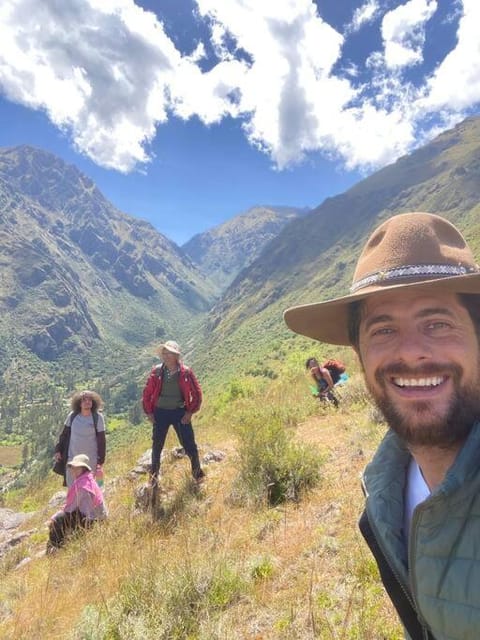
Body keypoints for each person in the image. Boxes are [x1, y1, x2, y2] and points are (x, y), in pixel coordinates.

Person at [284, 212, 480, 640]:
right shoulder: (383, 488)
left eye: (438, 324)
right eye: (383, 329)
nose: (411, 352)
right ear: (359, 354)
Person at [142, 340, 204, 485]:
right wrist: (149, 413)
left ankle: (198, 474)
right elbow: (147, 393)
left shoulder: (186, 372)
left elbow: (197, 393)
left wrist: (189, 412)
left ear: (176, 355)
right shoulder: (157, 371)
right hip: (160, 413)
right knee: (157, 446)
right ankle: (154, 478)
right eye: (164, 353)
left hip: (179, 412)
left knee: (189, 444)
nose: (166, 356)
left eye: (169, 353)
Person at [48, 454, 107, 551]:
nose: (73, 470)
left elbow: (70, 508)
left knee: (57, 520)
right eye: (72, 468)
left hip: (92, 520)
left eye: (77, 468)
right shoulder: (89, 479)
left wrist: (54, 517)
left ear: (83, 469)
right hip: (99, 517)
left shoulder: (82, 486)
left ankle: (56, 548)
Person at [54, 390, 106, 487]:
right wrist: (58, 450)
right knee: (72, 486)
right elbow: (64, 435)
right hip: (72, 459)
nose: (87, 402)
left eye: (89, 400)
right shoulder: (72, 416)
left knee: (89, 487)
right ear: (79, 403)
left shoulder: (98, 418)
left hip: (91, 460)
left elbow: (101, 440)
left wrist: (101, 460)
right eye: (84, 400)